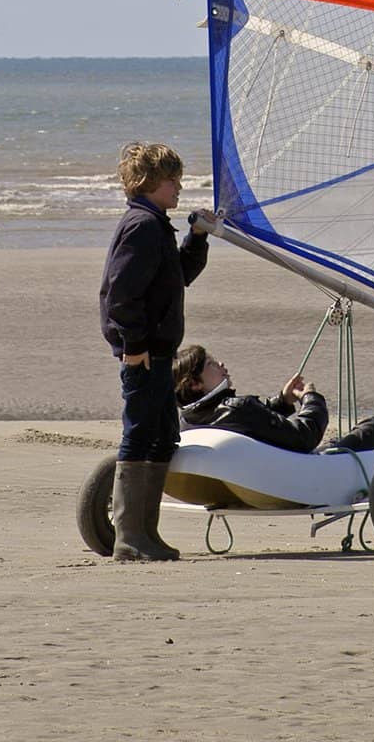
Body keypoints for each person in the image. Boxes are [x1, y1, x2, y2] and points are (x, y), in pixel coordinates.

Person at [99, 142, 210, 562]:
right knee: (141, 437)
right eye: (172, 180)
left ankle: (147, 534)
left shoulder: (157, 224)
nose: (179, 187)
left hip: (160, 353)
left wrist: (197, 237)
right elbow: (120, 294)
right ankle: (130, 538)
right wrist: (134, 347)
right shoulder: (141, 226)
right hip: (144, 355)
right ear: (148, 183)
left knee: (163, 437)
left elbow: (179, 275)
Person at [173, 344, 374, 453]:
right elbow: (305, 436)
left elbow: (253, 418)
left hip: (276, 471)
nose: (222, 365)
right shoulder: (236, 408)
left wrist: (282, 399)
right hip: (305, 473)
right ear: (196, 384)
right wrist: (311, 398)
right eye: (212, 364)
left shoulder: (189, 419)